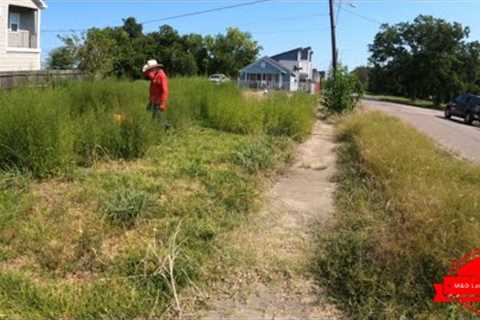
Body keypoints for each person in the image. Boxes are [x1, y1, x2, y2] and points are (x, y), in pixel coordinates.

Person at [142, 59, 169, 125]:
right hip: (152, 101)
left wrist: (162, 104)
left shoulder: (161, 76)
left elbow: (165, 91)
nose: (148, 73)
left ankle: (168, 130)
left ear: (154, 68)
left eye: (149, 70)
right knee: (148, 115)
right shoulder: (153, 76)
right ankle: (153, 127)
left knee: (160, 119)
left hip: (159, 102)